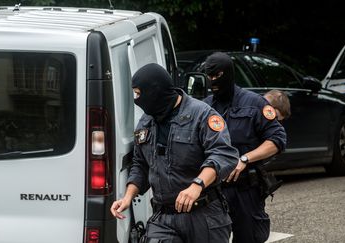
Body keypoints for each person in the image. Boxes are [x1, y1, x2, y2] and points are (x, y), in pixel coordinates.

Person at [110, 63, 239, 243]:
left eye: (139, 93)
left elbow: (223, 154)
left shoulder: (201, 114)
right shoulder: (146, 122)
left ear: (155, 91)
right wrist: (127, 197)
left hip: (203, 214)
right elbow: (141, 164)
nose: (136, 99)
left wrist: (197, 185)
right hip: (164, 219)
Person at [202, 52, 287, 243]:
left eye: (217, 76)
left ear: (229, 74)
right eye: (209, 77)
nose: (213, 81)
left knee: (250, 237)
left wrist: (245, 159)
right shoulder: (204, 108)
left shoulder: (255, 103)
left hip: (245, 190)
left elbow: (277, 139)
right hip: (214, 192)